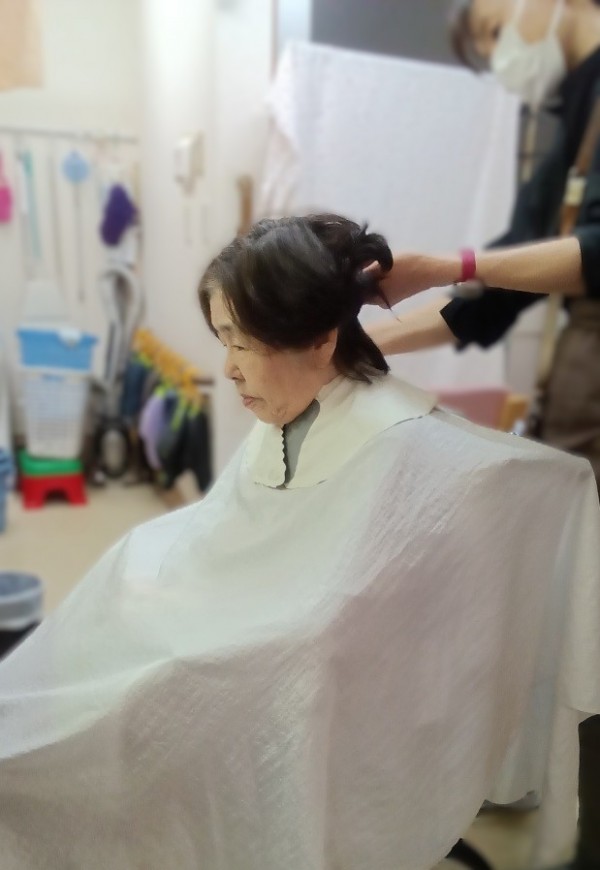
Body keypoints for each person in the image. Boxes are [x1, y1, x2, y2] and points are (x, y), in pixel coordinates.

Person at [0, 215, 597, 870]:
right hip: (234, 611)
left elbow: (337, 610)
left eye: (242, 343)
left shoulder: (402, 442)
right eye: (223, 340)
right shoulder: (291, 408)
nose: (228, 369)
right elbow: (236, 531)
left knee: (133, 700)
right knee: (108, 619)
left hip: (295, 659)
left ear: (318, 342)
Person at [365, 4, 600, 868]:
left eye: (497, 28)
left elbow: (584, 253)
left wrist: (450, 265)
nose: (501, 55)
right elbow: (496, 291)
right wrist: (361, 343)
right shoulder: (574, 108)